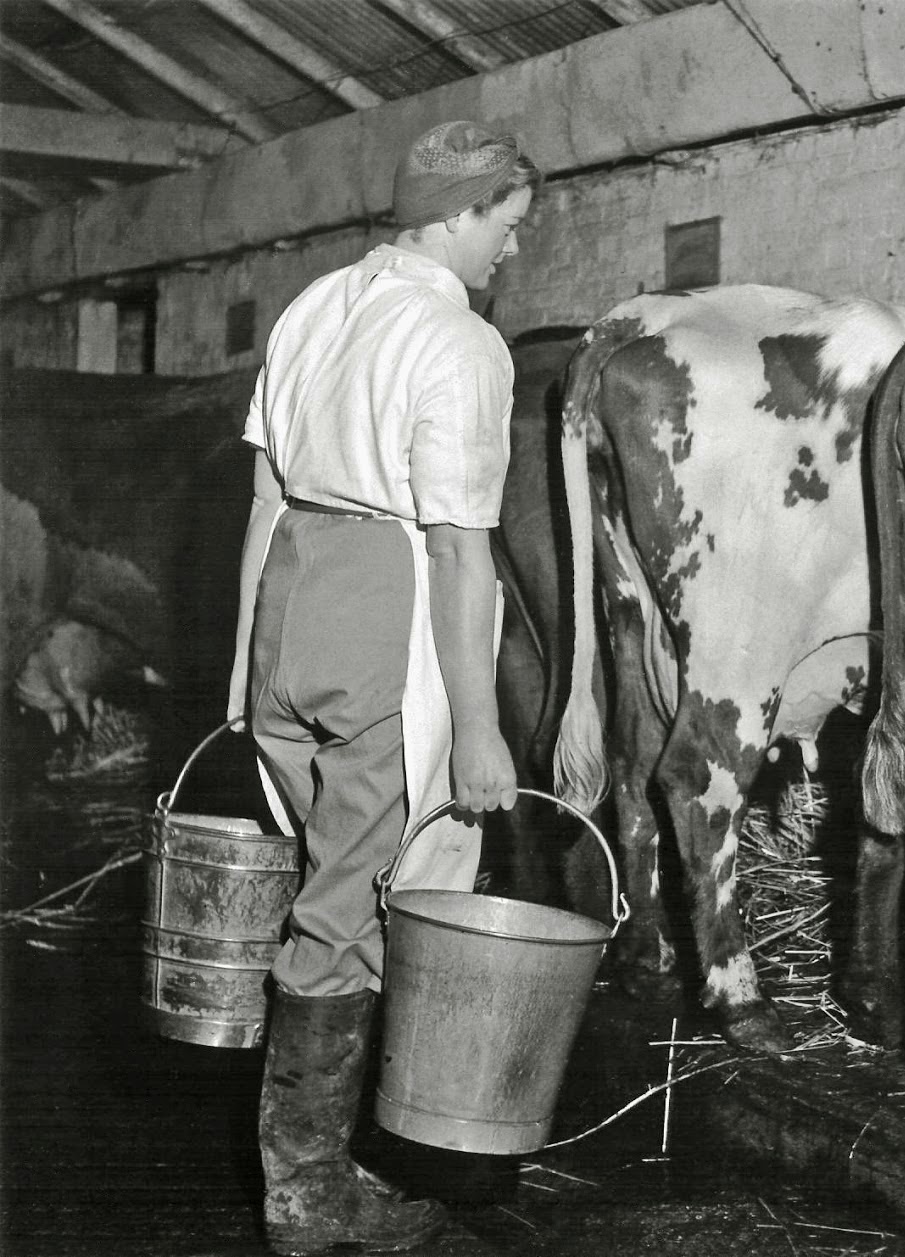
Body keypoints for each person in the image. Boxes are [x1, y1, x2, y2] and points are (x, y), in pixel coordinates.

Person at [226, 120, 540, 1255]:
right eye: (507, 225)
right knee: (349, 907)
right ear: (463, 212)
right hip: (384, 604)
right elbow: (459, 552)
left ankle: (330, 1158)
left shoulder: (315, 305)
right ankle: (310, 1197)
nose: (510, 250)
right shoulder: (458, 344)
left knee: (330, 875)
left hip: (291, 596)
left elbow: (263, 499)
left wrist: (243, 674)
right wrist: (480, 731)